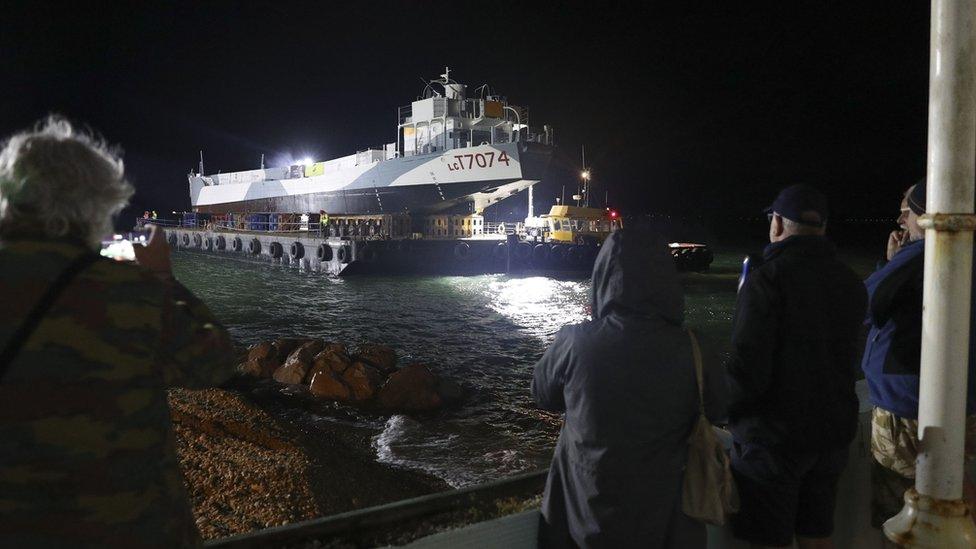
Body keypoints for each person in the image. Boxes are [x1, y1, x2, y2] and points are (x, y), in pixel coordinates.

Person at [0, 117, 236, 548]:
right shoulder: (128, 294)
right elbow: (214, 361)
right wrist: (163, 277)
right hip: (129, 529)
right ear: (94, 202)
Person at [533, 228, 727, 548]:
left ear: (602, 277)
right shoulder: (694, 348)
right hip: (665, 523)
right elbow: (719, 407)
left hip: (584, 522)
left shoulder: (575, 341)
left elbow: (542, 394)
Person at [726, 184, 867, 548]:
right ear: (822, 227)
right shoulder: (850, 282)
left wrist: (726, 410)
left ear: (776, 224)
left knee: (765, 539)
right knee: (817, 534)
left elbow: (747, 366)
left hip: (775, 440)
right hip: (831, 435)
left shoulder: (766, 279)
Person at [861, 180, 976, 533]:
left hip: (911, 410)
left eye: (906, 212)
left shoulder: (924, 253)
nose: (900, 222)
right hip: (964, 407)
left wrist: (890, 264)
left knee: (901, 514)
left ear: (928, 217)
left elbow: (865, 306)